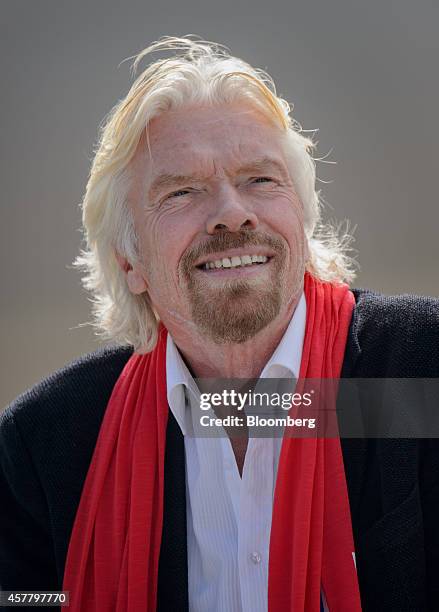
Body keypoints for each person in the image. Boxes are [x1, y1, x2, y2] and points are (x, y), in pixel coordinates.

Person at [1, 36, 439, 612]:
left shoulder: (419, 371)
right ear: (129, 262)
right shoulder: (47, 442)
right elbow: (28, 600)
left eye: (260, 179)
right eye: (182, 191)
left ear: (302, 219)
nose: (233, 212)